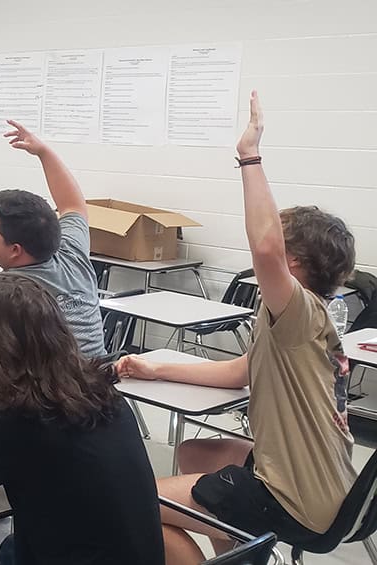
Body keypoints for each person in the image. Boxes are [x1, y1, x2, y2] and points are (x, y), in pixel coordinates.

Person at [116, 92, 358, 563]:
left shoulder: (299, 313)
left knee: (135, 505)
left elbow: (265, 247)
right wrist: (156, 368)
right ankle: (242, 556)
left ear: (293, 264)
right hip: (330, 487)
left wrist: (249, 155)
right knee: (195, 454)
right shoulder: (306, 322)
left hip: (296, 500)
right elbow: (240, 372)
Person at [0, 273, 164, 565]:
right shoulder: (101, 390)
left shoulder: (9, 417)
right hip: (131, 554)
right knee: (11, 548)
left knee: (13, 550)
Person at [0, 120, 105, 359]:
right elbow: (72, 205)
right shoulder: (72, 256)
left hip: (44, 394)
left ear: (16, 250)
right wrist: (43, 152)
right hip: (99, 385)